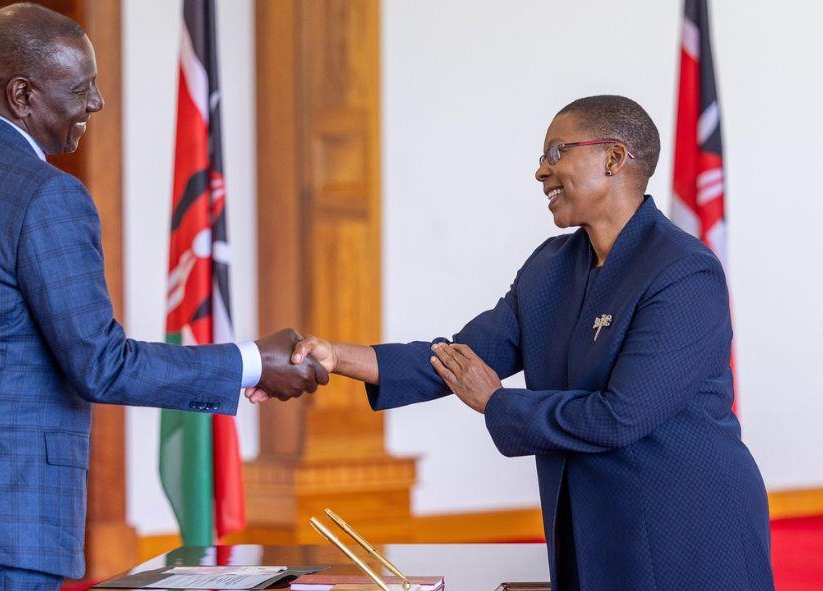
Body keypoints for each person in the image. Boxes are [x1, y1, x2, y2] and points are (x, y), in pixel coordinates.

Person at [0, 3, 325, 589]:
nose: (96, 104)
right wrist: (253, 362)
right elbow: (100, 364)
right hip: (6, 520)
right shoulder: (47, 197)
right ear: (23, 95)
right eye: (81, 88)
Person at [263, 96, 774, 590]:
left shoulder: (683, 271)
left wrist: (497, 403)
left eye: (556, 153)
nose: (540, 172)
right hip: (588, 530)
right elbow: (459, 359)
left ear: (614, 158)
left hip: (687, 532)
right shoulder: (549, 269)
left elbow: (621, 416)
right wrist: (336, 355)